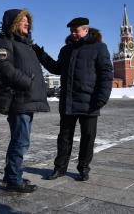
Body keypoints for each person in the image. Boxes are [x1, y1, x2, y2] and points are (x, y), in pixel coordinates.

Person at [33, 17, 113, 181]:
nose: (73, 34)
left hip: (90, 102)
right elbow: (56, 68)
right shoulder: (66, 50)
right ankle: (60, 168)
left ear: (86, 30)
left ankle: (83, 168)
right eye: (71, 31)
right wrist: (41, 55)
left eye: (76, 31)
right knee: (64, 137)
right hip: (68, 102)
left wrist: (102, 98)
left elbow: (106, 74)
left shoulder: (99, 48)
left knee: (88, 137)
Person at [0, 9, 50, 193]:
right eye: (23, 20)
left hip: (27, 99)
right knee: (20, 142)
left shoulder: (26, 44)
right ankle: (13, 181)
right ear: (13, 23)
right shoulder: (5, 41)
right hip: (19, 99)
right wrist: (27, 82)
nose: (27, 23)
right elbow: (4, 67)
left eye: (28, 21)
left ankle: (11, 176)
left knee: (20, 140)